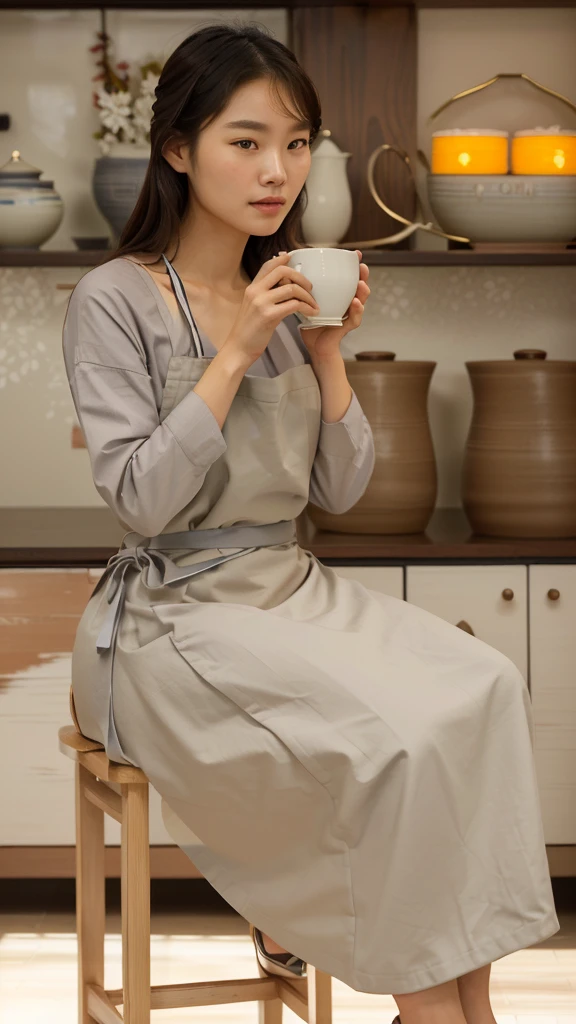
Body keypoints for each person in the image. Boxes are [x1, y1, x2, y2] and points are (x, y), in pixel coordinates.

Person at [61, 22, 559, 1023]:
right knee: (395, 742)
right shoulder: (114, 301)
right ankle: (423, 1006)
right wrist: (236, 349)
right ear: (176, 148)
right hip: (173, 619)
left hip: (292, 591)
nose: (276, 170)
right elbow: (141, 502)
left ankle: (474, 1005)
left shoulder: (291, 288)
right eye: (245, 141)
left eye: (296, 144)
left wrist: (325, 355)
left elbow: (337, 493)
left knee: (487, 690)